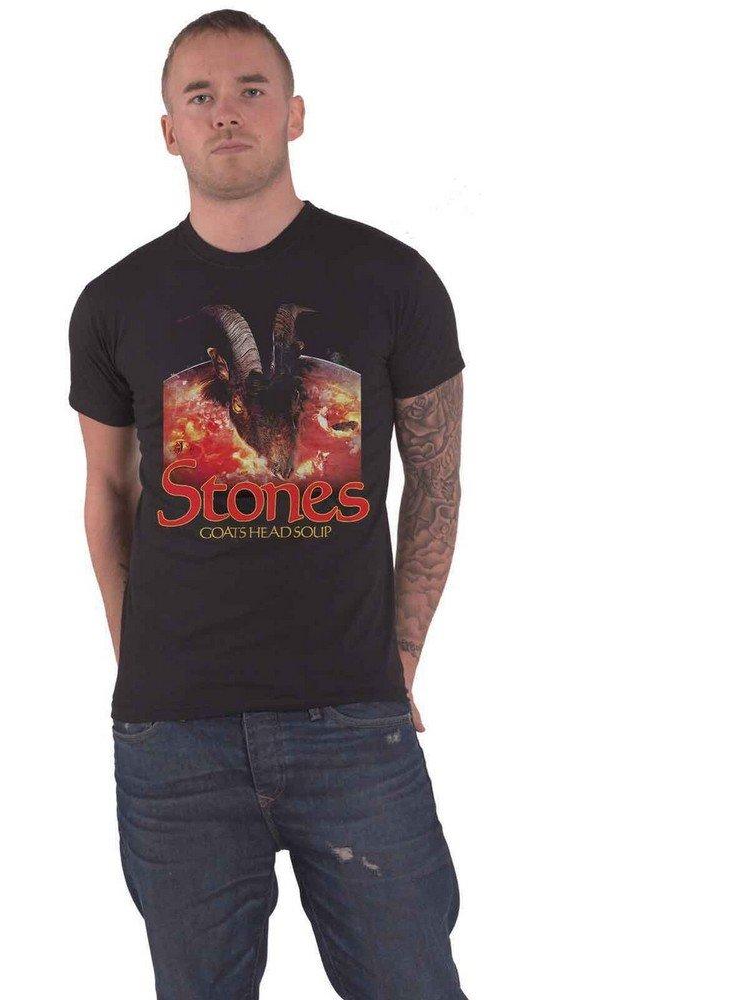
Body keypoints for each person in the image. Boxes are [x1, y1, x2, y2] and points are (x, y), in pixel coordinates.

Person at [68, 10, 467, 998]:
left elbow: (437, 480)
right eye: (199, 96)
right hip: (174, 740)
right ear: (169, 129)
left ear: (294, 113)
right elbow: (108, 494)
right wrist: (140, 660)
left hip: (353, 725)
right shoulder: (114, 303)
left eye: (251, 90)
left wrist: (400, 657)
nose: (226, 113)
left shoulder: (393, 279)